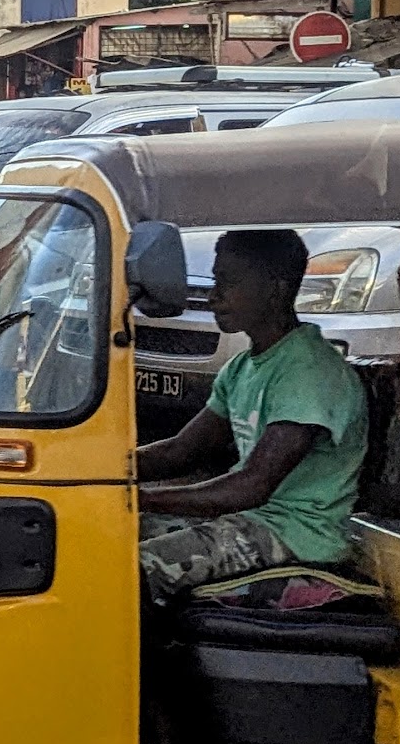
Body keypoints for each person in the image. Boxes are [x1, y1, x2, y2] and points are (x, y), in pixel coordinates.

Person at [136, 230, 368, 602]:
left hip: (295, 535)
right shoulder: (242, 366)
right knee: (103, 533)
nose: (213, 296)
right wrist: (99, 472)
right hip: (253, 520)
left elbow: (252, 486)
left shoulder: (308, 371)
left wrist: (140, 497)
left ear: (275, 290)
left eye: (227, 283)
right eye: (215, 281)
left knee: (126, 568)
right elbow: (181, 452)